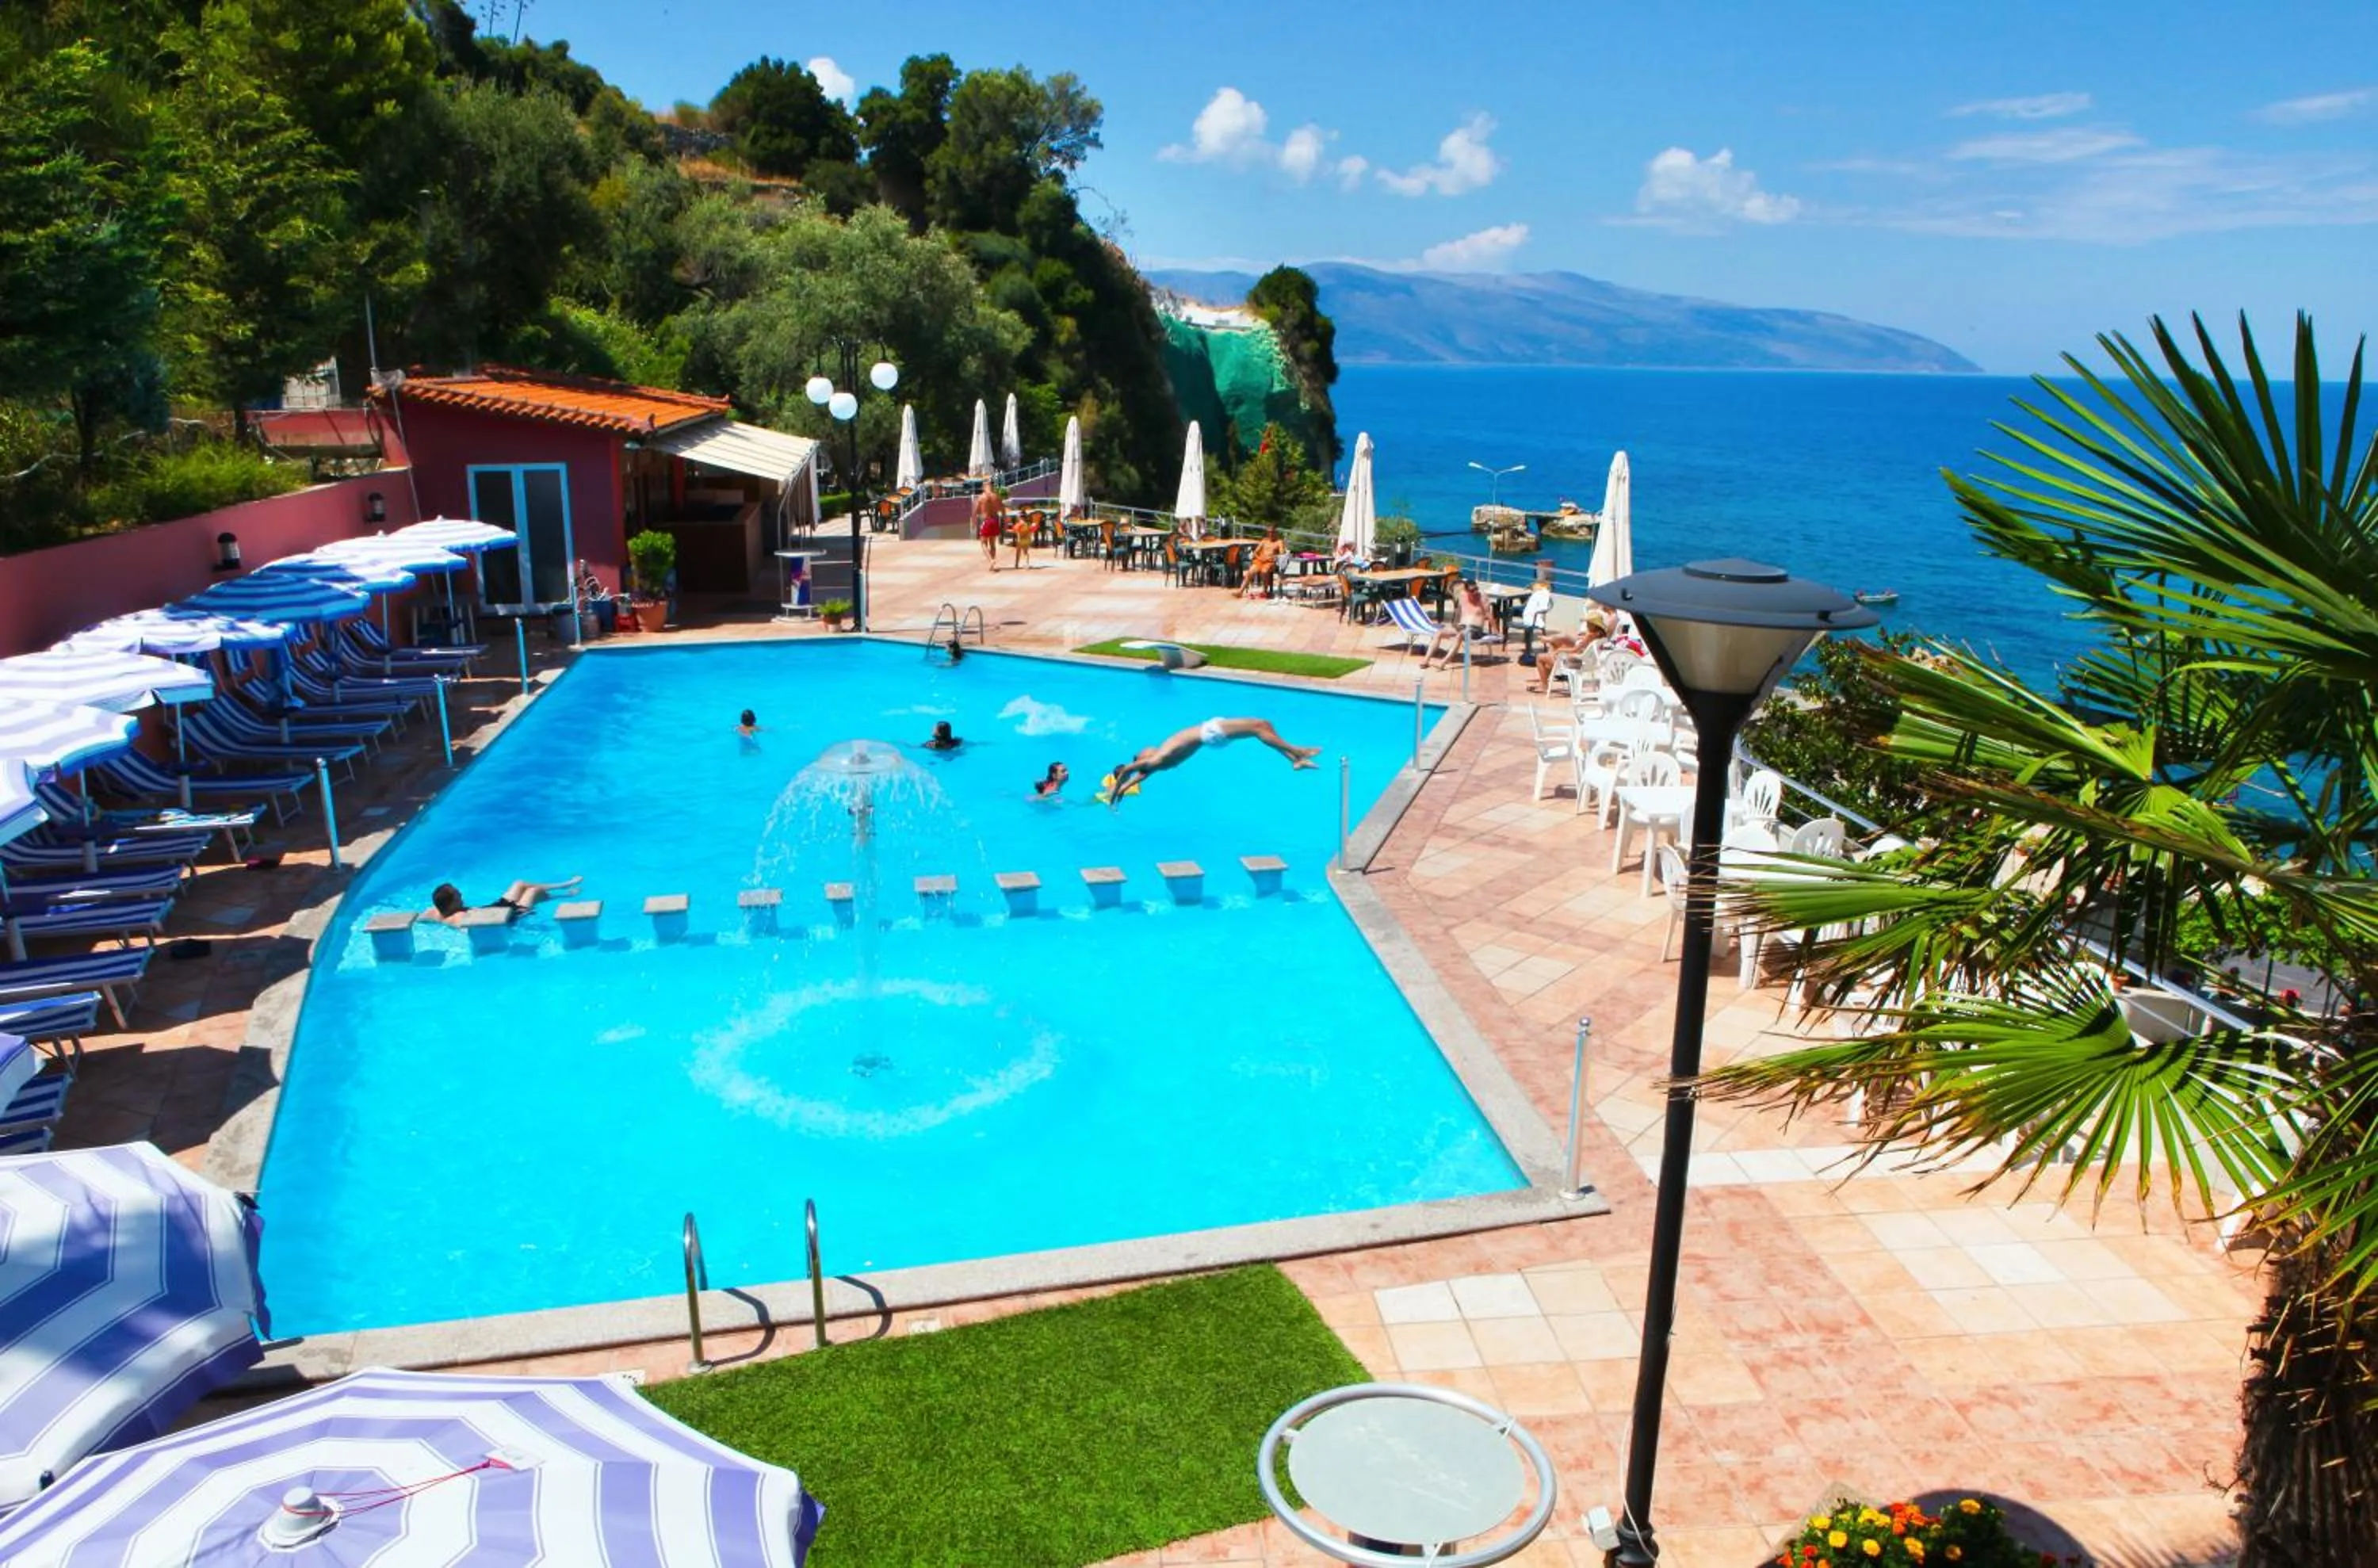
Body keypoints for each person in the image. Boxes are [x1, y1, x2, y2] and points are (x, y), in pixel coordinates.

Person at [1103, 717, 1321, 809]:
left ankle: (1295, 759)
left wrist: (1122, 791)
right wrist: (1114, 793)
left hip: (1210, 731)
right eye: (1140, 753)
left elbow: (1133, 780)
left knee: (1264, 725)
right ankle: (1298, 752)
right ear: (1142, 759)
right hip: (1209, 733)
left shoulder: (1153, 765)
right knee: (1258, 727)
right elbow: (1125, 773)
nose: (1145, 748)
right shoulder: (1154, 760)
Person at [426, 876, 581, 924]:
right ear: (452, 903)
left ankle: (564, 884)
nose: (461, 895)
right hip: (509, 916)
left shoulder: (435, 911)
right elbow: (470, 929)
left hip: (493, 907)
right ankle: (565, 895)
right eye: (457, 895)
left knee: (519, 884)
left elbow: (419, 918)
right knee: (533, 892)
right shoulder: (457, 917)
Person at [1244, 529, 1284, 599]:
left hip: (1270, 562)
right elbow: (1255, 552)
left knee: (1264, 571)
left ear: (1276, 533)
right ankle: (1241, 591)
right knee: (1250, 571)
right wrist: (1259, 558)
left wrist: (1274, 557)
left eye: (1272, 532)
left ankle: (1265, 591)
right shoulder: (1264, 541)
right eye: (1269, 532)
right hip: (1260, 561)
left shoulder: (1279, 542)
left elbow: (1282, 553)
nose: (1271, 534)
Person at [973, 485, 1006, 570]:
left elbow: (976, 512)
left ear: (984, 487)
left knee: (983, 543)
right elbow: (1003, 510)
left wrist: (974, 522)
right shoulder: (997, 497)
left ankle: (991, 561)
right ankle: (993, 565)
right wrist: (1005, 523)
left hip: (986, 521)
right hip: (995, 520)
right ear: (992, 487)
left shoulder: (981, 497)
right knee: (993, 544)